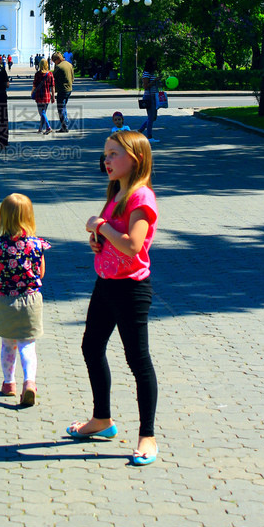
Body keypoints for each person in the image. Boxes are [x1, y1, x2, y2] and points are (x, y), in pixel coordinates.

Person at [67, 130, 159, 467]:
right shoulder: (116, 192)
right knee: (91, 347)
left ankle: (147, 436)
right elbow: (115, 240)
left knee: (138, 361)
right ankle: (102, 420)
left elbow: (134, 246)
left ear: (135, 159)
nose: (106, 160)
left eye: (113, 154)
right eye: (105, 154)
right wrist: (99, 241)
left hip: (131, 290)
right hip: (105, 283)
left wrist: (102, 227)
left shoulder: (141, 198)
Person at [0, 193, 50, 407]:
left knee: (8, 343)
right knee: (28, 345)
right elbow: (41, 273)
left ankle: (9, 383)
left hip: (5, 300)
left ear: (3, 217)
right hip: (31, 300)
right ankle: (29, 382)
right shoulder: (37, 245)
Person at [51, 51, 74, 132]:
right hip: (69, 89)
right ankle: (65, 124)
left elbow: (53, 78)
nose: (54, 63)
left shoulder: (59, 67)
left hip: (62, 89)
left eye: (54, 61)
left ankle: (64, 126)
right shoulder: (69, 64)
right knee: (63, 107)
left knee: (60, 108)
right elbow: (72, 77)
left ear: (57, 59)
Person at [139, 57, 160, 143]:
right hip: (149, 96)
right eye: (154, 63)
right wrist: (154, 80)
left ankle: (140, 131)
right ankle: (149, 136)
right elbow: (145, 86)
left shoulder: (152, 73)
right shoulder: (146, 73)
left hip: (154, 96)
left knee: (153, 117)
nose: (155, 65)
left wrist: (158, 82)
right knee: (151, 117)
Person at [32, 58, 55, 134]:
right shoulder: (50, 74)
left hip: (39, 95)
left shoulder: (37, 74)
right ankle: (40, 129)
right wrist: (53, 96)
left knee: (41, 112)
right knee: (43, 112)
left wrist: (32, 93)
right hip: (47, 95)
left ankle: (48, 127)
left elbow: (34, 85)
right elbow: (52, 86)